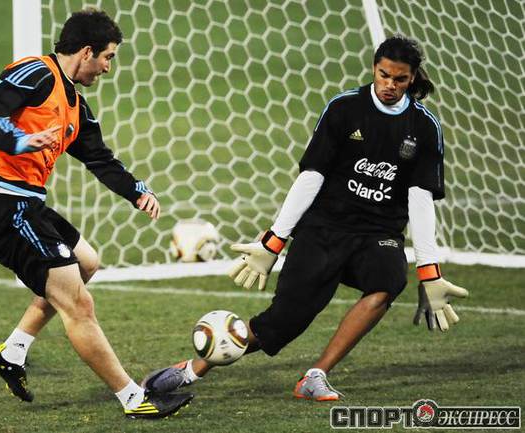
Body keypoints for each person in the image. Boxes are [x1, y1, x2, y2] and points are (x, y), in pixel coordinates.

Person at [141, 35, 469, 401]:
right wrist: (274, 241)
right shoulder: (345, 109)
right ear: (374, 69)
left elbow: (421, 200)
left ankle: (316, 375)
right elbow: (311, 176)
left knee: (388, 282)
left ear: (412, 78)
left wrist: (429, 270)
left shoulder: (424, 126)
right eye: (384, 75)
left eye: (400, 79)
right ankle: (191, 370)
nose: (390, 85)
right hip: (324, 227)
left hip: (378, 232)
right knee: (283, 323)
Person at [0, 9, 193, 419]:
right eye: (107, 57)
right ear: (86, 52)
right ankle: (133, 398)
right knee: (78, 304)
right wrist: (21, 141)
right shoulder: (36, 72)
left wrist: (137, 191)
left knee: (87, 262)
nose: (108, 68)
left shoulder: (76, 107)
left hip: (27, 203)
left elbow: (100, 159)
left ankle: (12, 352)